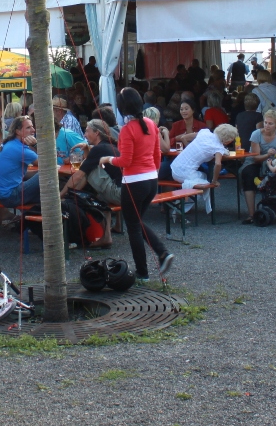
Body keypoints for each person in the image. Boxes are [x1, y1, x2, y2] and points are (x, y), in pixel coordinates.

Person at [101, 88, 173, 282]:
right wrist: (152, 172)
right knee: (136, 221)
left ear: (122, 108)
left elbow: (125, 161)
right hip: (151, 179)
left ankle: (145, 269)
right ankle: (161, 253)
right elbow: (157, 154)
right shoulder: (150, 124)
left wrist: (107, 159)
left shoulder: (127, 130)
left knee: (133, 225)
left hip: (134, 182)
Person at [241, 110, 276, 220]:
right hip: (255, 161)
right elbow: (255, 157)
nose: (267, 125)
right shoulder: (256, 134)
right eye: (265, 122)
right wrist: (267, 155)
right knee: (248, 174)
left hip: (271, 161)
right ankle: (252, 214)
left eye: (270, 123)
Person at [170, 123, 236, 190]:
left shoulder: (205, 132)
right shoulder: (218, 148)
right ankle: (193, 192)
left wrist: (191, 149)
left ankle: (190, 191)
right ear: (228, 140)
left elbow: (183, 137)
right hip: (184, 174)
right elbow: (218, 164)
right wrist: (214, 181)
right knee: (205, 178)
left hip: (174, 168)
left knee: (202, 175)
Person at [0, 116, 39, 207]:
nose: (33, 130)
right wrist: (35, 145)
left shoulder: (10, 143)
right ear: (18, 131)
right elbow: (47, 164)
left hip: (2, 195)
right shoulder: (19, 148)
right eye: (28, 127)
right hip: (10, 196)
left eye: (32, 126)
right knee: (47, 173)